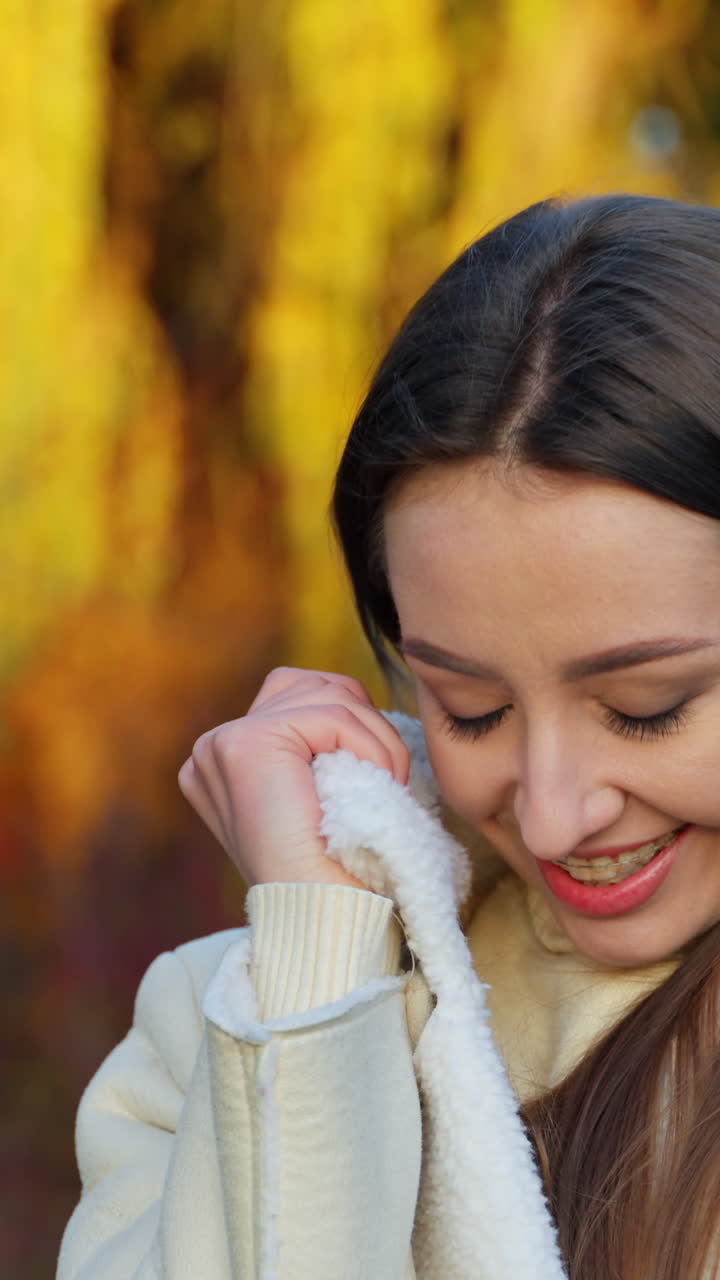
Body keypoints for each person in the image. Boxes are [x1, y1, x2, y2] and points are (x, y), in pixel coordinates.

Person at [57, 193, 720, 1280]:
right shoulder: (216, 1032)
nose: (553, 811)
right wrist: (318, 977)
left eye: (647, 703)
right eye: (472, 708)